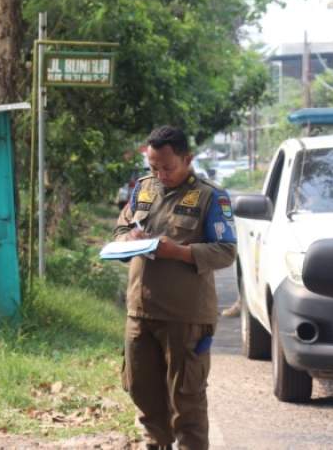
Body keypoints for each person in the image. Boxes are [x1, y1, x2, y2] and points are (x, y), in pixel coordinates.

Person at [113, 126, 237, 450]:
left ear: (188, 158)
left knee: (187, 408)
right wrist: (128, 239)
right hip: (140, 313)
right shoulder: (143, 189)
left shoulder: (210, 196)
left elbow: (226, 251)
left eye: (168, 167)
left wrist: (180, 252)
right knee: (145, 401)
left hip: (186, 319)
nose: (161, 174)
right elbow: (122, 227)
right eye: (154, 167)